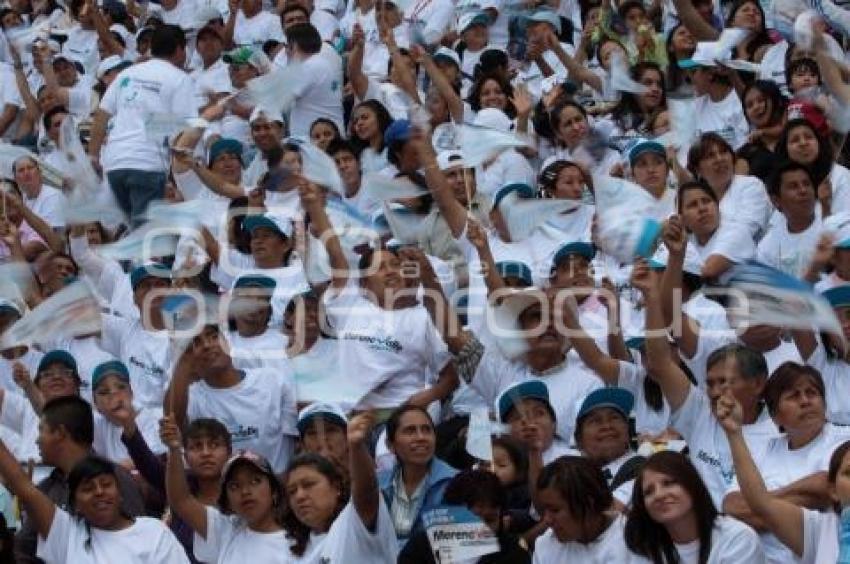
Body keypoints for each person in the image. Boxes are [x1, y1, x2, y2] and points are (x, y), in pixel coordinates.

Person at [718, 391, 850, 563]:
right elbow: (761, 503)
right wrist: (734, 433)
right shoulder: (819, 530)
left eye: (811, 393)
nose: (804, 401)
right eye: (849, 473)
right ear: (833, 490)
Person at [13, 396, 146, 563]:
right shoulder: (46, 488)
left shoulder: (116, 480)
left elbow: (137, 542)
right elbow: (24, 549)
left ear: (60, 433)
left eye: (42, 430)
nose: (37, 440)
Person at [88, 24, 197, 222]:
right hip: (147, 165)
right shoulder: (180, 79)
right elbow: (186, 129)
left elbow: (102, 115)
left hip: (114, 164)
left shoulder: (127, 74)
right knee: (143, 239)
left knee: (130, 232)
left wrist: (93, 156)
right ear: (181, 50)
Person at [625, 450, 764, 562]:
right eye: (648, 492)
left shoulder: (737, 538)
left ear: (692, 485)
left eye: (669, 483)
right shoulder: (645, 546)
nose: (659, 495)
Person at [378, 405, 457, 547]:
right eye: (410, 431)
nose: (421, 437)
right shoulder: (377, 484)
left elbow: (452, 545)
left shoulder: (457, 483)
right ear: (390, 445)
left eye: (427, 430)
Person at [533, 456, 630, 560]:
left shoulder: (631, 541)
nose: (547, 520)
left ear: (589, 503)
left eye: (555, 510)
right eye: (544, 510)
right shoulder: (545, 545)